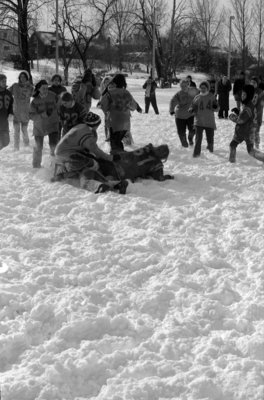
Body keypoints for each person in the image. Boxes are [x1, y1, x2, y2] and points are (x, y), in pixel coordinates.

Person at [53, 112, 129, 194]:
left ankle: (108, 184)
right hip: (69, 156)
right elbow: (96, 151)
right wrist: (111, 158)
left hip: (61, 155)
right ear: (96, 125)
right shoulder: (88, 135)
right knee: (92, 166)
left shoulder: (80, 126)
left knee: (86, 167)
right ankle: (100, 185)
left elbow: (83, 149)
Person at [100, 73, 140, 153]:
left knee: (115, 146)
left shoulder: (109, 93)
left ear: (114, 82)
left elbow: (103, 105)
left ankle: (119, 159)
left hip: (114, 123)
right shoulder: (127, 93)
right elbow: (133, 106)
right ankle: (121, 156)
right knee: (118, 143)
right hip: (125, 123)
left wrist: (108, 110)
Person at [229, 84, 264, 163]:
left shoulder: (248, 108)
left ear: (249, 96)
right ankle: (231, 161)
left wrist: (233, 117)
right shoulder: (248, 105)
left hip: (245, 132)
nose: (242, 96)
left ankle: (231, 161)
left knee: (244, 149)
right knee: (236, 146)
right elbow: (244, 116)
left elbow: (241, 120)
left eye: (244, 94)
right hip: (246, 132)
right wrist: (238, 112)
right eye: (242, 94)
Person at [29, 79, 60, 168]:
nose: (46, 90)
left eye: (47, 88)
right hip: (39, 126)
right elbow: (31, 116)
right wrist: (44, 114)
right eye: (43, 88)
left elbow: (61, 105)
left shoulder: (54, 96)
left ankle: (54, 165)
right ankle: (36, 165)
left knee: (54, 146)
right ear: (38, 89)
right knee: (38, 147)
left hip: (53, 124)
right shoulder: (35, 101)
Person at [189, 80, 218, 157]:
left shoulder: (211, 96)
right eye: (201, 88)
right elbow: (192, 106)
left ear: (207, 88)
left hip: (209, 121)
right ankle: (196, 154)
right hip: (199, 121)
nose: (202, 89)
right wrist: (191, 109)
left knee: (210, 139)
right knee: (198, 139)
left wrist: (215, 106)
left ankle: (211, 152)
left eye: (204, 88)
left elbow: (217, 108)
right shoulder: (197, 97)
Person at [169, 79, 199, 147]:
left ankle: (190, 138)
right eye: (182, 86)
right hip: (180, 116)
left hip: (191, 115)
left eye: (185, 86)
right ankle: (184, 144)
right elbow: (173, 101)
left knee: (193, 130)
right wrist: (171, 110)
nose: (183, 87)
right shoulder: (179, 94)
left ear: (188, 85)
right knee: (181, 132)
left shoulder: (193, 91)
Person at [8, 70, 33, 150]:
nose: (22, 78)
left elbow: (38, 94)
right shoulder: (15, 86)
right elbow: (6, 92)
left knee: (24, 130)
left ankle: (26, 146)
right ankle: (16, 147)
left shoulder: (30, 87)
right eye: (21, 76)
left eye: (24, 77)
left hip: (26, 112)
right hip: (16, 112)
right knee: (16, 131)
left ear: (27, 78)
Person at [250, 76, 264, 149]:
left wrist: (256, 112)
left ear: (257, 84)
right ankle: (251, 146)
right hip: (249, 115)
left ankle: (257, 145)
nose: (252, 84)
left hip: (257, 115)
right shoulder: (248, 91)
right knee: (250, 132)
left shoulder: (260, 92)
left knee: (256, 132)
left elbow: (261, 104)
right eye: (251, 82)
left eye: (254, 83)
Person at [0, 73, 13, 150]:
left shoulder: (8, 93)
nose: (4, 82)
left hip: (4, 121)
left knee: (6, 142)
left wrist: (11, 113)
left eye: (5, 81)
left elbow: (11, 104)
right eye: (2, 81)